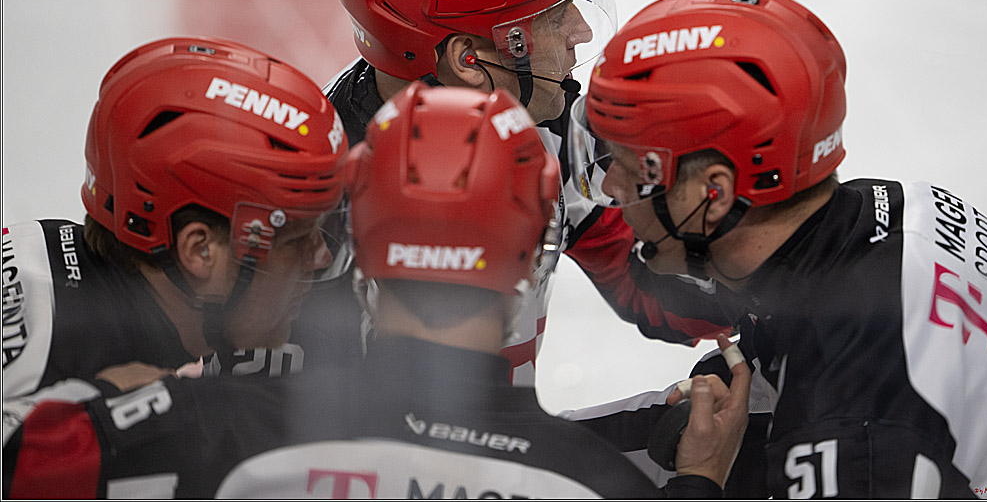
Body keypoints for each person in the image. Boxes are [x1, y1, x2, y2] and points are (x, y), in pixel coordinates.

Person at [2, 84, 752, 499]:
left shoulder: (206, 420)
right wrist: (694, 485)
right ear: (534, 260)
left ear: (363, 247)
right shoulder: (594, 483)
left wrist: (102, 398)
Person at [567, 0, 987, 498]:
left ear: (713, 194)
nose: (609, 187)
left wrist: (700, 482)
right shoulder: (881, 210)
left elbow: (855, 413)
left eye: (625, 167)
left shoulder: (849, 433)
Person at [320, 0, 732, 384]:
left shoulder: (550, 124)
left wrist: (776, 249)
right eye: (555, 13)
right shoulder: (306, 198)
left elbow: (652, 291)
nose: (582, 32)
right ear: (468, 58)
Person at [2, 36, 350, 400]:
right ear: (200, 250)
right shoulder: (59, 383)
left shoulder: (57, 276)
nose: (322, 256)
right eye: (296, 238)